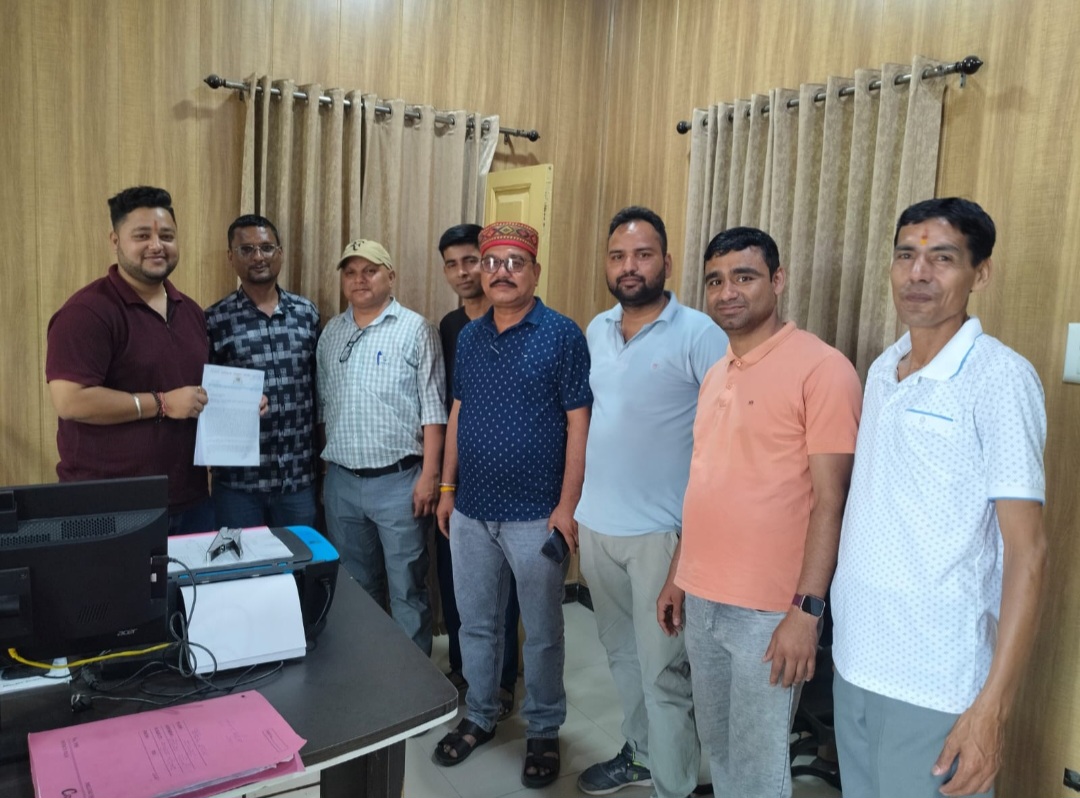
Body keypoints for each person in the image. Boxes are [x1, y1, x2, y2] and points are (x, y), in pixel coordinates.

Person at [831, 198, 1047, 798]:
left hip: (937, 679)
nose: (918, 273)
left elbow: (1028, 554)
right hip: (855, 658)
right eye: (906, 255)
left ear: (981, 273)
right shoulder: (883, 369)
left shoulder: (999, 378)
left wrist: (992, 710)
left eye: (942, 258)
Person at [657, 226, 862, 798]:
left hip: (770, 611)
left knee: (757, 763)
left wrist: (806, 611)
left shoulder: (823, 370)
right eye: (715, 281)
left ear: (777, 280)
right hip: (704, 597)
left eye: (744, 277)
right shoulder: (717, 372)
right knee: (720, 747)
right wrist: (679, 575)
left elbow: (832, 501)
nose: (727, 292)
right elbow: (706, 484)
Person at [431, 221, 591, 790]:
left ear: (534, 272)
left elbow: (579, 423)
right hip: (472, 512)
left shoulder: (562, 334)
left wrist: (567, 506)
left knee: (542, 631)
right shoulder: (470, 336)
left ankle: (544, 727)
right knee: (475, 624)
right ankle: (480, 714)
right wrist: (447, 489)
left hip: (535, 516)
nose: (501, 273)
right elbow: (458, 411)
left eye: (515, 263)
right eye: (492, 262)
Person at [575, 207, 728, 798]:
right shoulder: (596, 329)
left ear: (666, 261)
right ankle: (639, 754)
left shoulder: (700, 334)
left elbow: (722, 444)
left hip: (661, 536)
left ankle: (675, 785)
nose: (629, 267)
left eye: (642, 255)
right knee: (621, 657)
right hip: (598, 528)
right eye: (618, 256)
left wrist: (691, 544)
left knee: (665, 672)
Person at [46, 185, 214, 535]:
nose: (156, 245)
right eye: (142, 236)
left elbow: (192, 393)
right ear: (115, 240)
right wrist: (162, 403)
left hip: (190, 500)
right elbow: (70, 401)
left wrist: (239, 405)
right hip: (108, 506)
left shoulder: (190, 311)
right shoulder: (87, 312)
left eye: (166, 235)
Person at [317, 238, 446, 653]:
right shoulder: (331, 333)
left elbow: (434, 412)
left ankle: (412, 682)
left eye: (370, 271)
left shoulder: (417, 329)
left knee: (407, 589)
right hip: (342, 483)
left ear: (390, 276)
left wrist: (430, 477)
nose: (360, 280)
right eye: (351, 272)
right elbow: (324, 408)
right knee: (356, 587)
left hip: (400, 483)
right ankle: (368, 673)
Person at [435, 223, 521, 718]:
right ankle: (466, 669)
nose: (464, 272)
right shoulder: (450, 327)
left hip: (512, 482)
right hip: (460, 478)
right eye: (453, 264)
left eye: (472, 260)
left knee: (502, 590)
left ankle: (503, 679)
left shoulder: (518, 320)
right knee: (458, 583)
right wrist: (445, 481)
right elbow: (453, 407)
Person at [205, 214, 320, 529]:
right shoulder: (214, 320)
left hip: (298, 478)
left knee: (301, 559)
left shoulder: (307, 314)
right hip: (238, 484)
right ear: (231, 257)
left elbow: (319, 389)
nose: (258, 257)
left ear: (280, 253)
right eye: (246, 249)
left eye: (267, 248)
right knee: (240, 561)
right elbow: (201, 395)